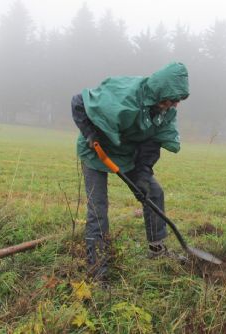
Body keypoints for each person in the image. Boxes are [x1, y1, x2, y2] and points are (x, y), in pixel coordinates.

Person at [71, 62, 189, 278]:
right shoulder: (125, 96)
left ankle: (157, 250)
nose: (173, 105)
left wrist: (143, 174)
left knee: (153, 192)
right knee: (98, 209)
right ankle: (98, 270)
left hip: (127, 152)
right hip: (97, 151)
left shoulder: (165, 111)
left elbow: (153, 143)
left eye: (177, 101)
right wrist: (89, 134)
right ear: (160, 92)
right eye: (171, 100)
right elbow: (78, 102)